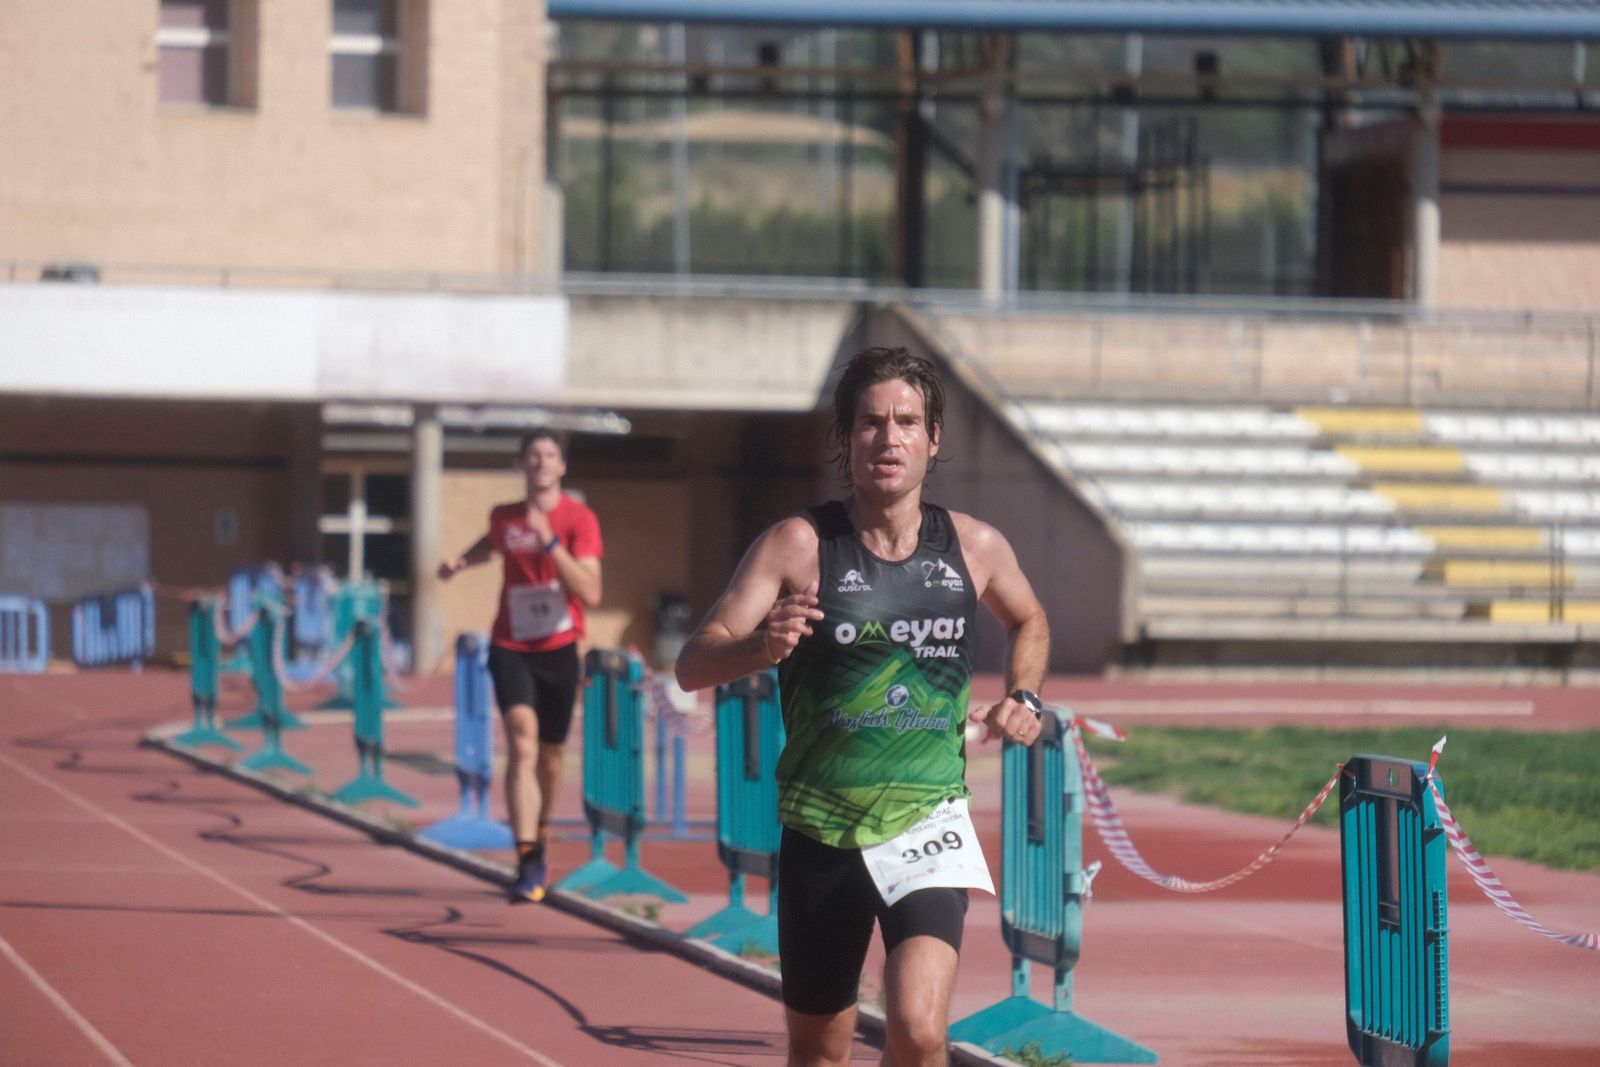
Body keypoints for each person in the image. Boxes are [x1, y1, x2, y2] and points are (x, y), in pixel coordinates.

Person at [675, 346, 1050, 1067]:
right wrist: (762, 645)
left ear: (933, 438)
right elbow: (694, 662)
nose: (889, 438)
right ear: (846, 439)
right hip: (821, 830)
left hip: (926, 822)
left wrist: (1024, 694)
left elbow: (1029, 619)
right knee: (820, 1051)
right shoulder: (798, 544)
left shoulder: (974, 546)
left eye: (906, 421)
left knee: (920, 1028)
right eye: (871, 422)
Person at [438, 430, 603, 903]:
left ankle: (541, 829)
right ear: (522, 464)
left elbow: (591, 592)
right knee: (522, 741)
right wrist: (460, 562)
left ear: (562, 466)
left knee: (550, 757)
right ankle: (527, 854)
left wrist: (550, 542)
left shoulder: (579, 519)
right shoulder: (504, 516)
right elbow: (492, 544)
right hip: (511, 644)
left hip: (559, 647)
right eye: (534, 454)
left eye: (550, 455)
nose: (541, 462)